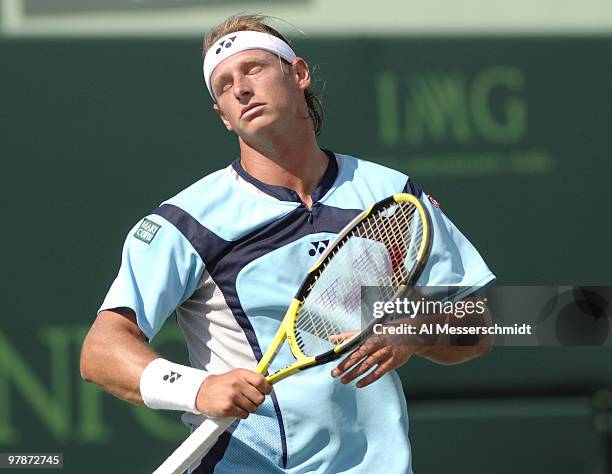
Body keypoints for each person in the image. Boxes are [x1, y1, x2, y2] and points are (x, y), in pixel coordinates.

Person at [80, 14, 495, 474]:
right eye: (223, 85)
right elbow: (101, 351)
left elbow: (484, 322)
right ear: (224, 117)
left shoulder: (391, 193)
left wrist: (413, 330)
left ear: (298, 74)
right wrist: (197, 388)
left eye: (253, 68)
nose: (239, 89)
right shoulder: (186, 221)